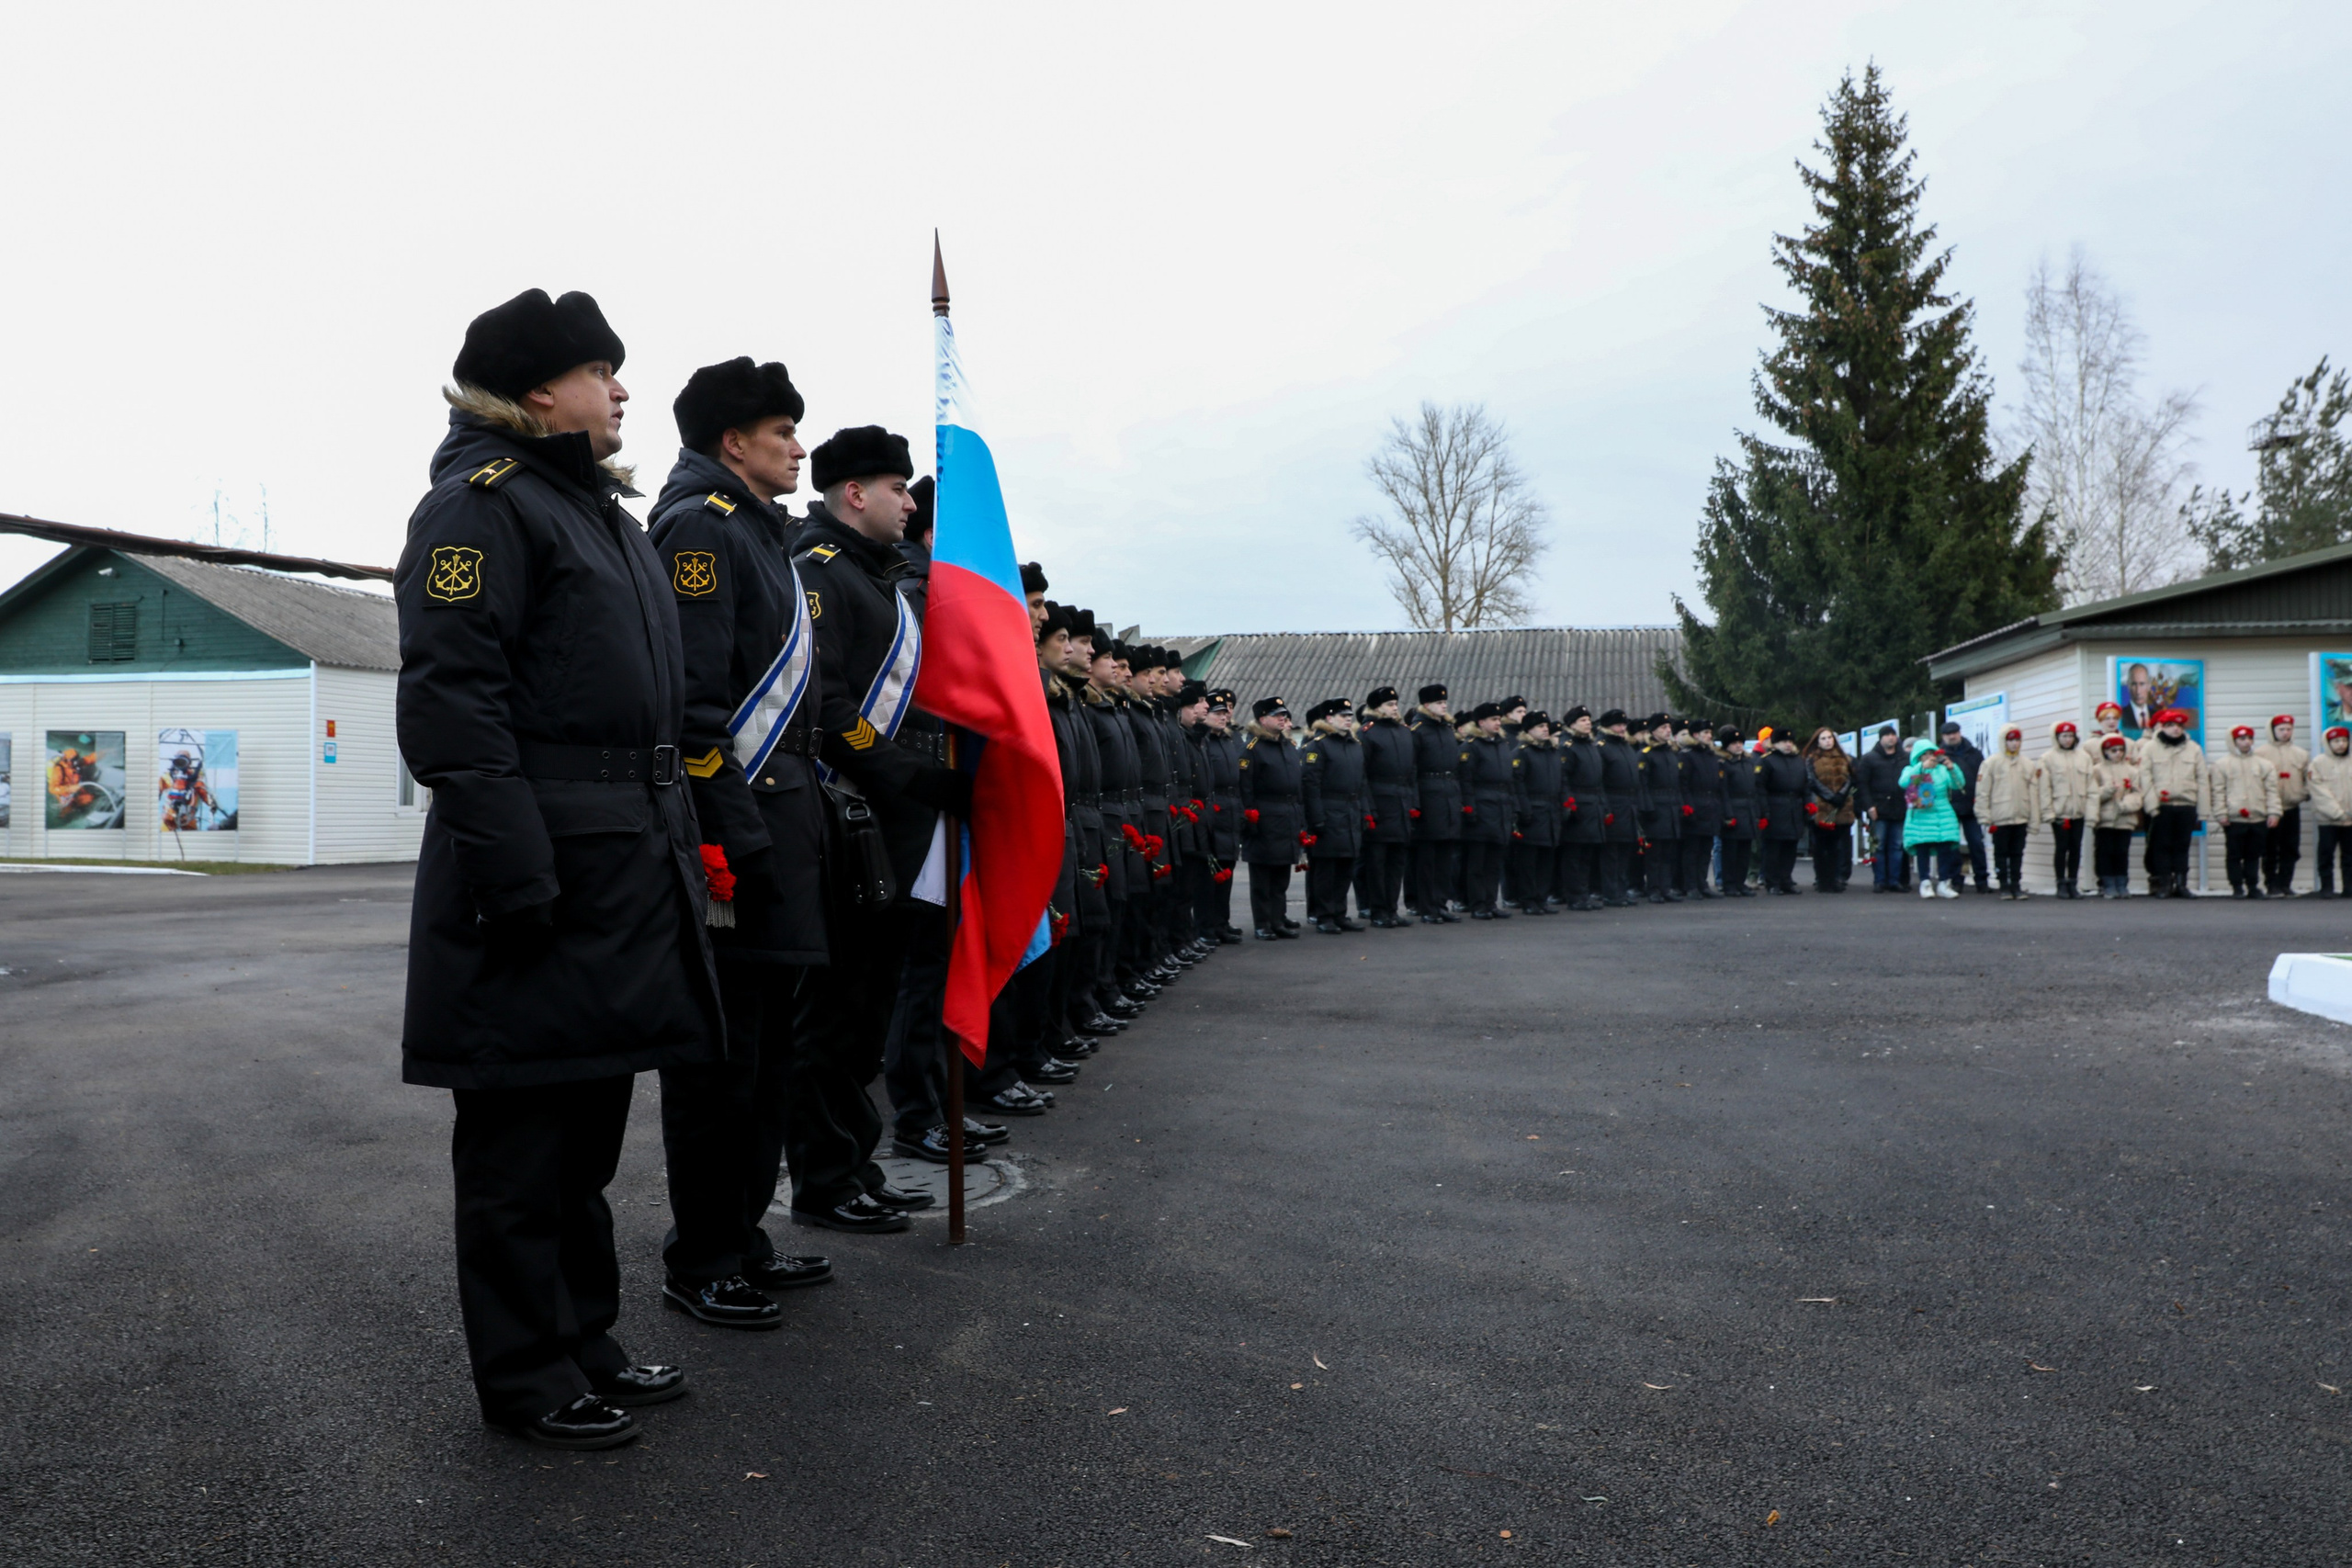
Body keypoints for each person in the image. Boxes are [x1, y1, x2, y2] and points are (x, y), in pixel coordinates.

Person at [398, 288, 717, 1449]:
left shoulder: (600, 515)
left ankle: (585, 1336)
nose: (623, 390)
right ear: (540, 392)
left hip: (625, 865)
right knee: (521, 1144)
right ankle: (526, 1374)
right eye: (602, 372)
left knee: (584, 1129)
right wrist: (515, 874)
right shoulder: (480, 509)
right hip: (540, 874)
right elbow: (451, 709)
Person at [646, 357, 842, 1335]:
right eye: (782, 434)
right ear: (734, 444)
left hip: (784, 820)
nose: (798, 449)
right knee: (722, 1062)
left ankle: (744, 1233)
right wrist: (736, 837)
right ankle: (703, 1252)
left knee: (764, 1058)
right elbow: (697, 708)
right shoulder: (700, 532)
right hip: (740, 829)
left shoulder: (762, 535)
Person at [793, 425, 980, 1201]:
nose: (910, 502)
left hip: (888, 823)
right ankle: (824, 1177)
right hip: (850, 824)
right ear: (855, 494)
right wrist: (913, 774)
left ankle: (854, 1164)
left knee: (866, 1016)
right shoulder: (821, 572)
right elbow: (828, 703)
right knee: (833, 1021)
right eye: (898, 488)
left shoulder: (875, 577)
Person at [1238, 696, 1306, 938]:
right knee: (1262, 880)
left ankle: (1278, 920)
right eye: (1277, 715)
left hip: (1287, 816)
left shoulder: (1286, 745)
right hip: (1265, 818)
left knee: (1280, 877)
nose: (1283, 719)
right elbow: (1245, 789)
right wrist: (1251, 821)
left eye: (1284, 715)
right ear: (1262, 719)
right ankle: (1262, 924)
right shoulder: (1253, 748)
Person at [1299, 697, 1367, 933]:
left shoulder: (1354, 745)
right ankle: (1324, 915)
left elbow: (1362, 783)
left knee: (1345, 867)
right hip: (1329, 812)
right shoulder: (1319, 745)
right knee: (1326, 869)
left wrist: (1365, 813)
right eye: (1343, 715)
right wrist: (1316, 818)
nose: (1349, 719)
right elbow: (1311, 785)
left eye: (1350, 716)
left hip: (1351, 813)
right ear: (1329, 718)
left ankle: (1340, 913)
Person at [1356, 687, 1419, 928]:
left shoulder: (1405, 732)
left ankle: (1392, 909)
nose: (1395, 707)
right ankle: (1378, 910)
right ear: (1376, 707)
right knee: (1376, 863)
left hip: (1401, 805)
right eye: (1389, 704)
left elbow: (1412, 771)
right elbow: (1362, 776)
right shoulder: (1367, 734)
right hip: (1380, 805)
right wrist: (1369, 810)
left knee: (1396, 863)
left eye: (1395, 703)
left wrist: (1413, 803)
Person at [1408, 685, 1462, 923]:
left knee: (1445, 856)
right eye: (1439, 702)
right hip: (1429, 796)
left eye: (1445, 702)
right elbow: (1412, 770)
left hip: (1449, 794)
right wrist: (1416, 803)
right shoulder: (1418, 731)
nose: (1444, 705)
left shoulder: (1447, 730)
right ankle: (1426, 906)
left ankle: (1440, 903)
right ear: (1426, 705)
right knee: (1427, 858)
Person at [2139, 708, 2207, 898]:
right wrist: (2152, 805)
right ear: (2162, 727)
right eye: (2171, 726)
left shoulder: (2193, 748)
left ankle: (2181, 884)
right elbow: (2145, 777)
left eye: (2179, 726)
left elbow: (2202, 778)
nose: (2176, 730)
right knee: (2161, 846)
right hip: (2162, 805)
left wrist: (2203, 810)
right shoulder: (2150, 748)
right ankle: (2164, 884)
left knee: (2182, 845)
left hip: (2186, 804)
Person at [1194, 688, 1245, 940]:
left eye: (1226, 713)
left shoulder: (1227, 739)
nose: (1223, 717)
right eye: (1218, 713)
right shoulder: (1203, 740)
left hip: (1231, 810)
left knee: (1227, 869)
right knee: (1208, 876)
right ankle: (1206, 926)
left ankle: (1221, 922)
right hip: (1213, 810)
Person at [1458, 701, 1515, 918]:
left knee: (1494, 862)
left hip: (1501, 808)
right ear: (1481, 722)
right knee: (1477, 863)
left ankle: (1491, 902)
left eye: (1499, 719)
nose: (1498, 723)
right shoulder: (1471, 746)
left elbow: (1509, 780)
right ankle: (1478, 904)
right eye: (1493, 719)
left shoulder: (1502, 744)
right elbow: (1466, 781)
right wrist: (1470, 808)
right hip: (1481, 807)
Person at [2211, 724, 2281, 898]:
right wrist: (2221, 813)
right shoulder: (2222, 765)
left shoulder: (2264, 765)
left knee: (2253, 855)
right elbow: (2217, 791)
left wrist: (2274, 813)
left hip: (2258, 817)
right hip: (2235, 819)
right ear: (2233, 741)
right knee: (2234, 855)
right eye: (2242, 739)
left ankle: (2253, 886)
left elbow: (2272, 791)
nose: (2246, 742)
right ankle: (2236, 886)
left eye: (2249, 739)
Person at [1506, 712, 1561, 915]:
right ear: (1528, 730)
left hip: (1551, 811)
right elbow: (1516, 785)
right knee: (1529, 860)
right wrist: (1523, 810)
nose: (1545, 729)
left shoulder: (1553, 751)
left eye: (1546, 726)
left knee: (1547, 858)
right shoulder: (1522, 753)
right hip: (1533, 810)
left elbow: (1561, 782)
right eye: (1540, 726)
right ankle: (1528, 899)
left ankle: (1541, 898)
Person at [1975, 725, 2040, 899]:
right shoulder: (1991, 763)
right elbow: (1983, 792)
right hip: (2000, 817)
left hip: (2021, 816)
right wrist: (1985, 816)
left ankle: (2016, 884)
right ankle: (2003, 885)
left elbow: (2033, 793)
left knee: (2017, 853)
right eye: (2010, 740)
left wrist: (2034, 819)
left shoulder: (2027, 764)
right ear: (2004, 741)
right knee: (2001, 853)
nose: (2014, 744)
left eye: (2017, 740)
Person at [2035, 721, 2096, 898]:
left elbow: (2091, 786)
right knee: (2062, 847)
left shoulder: (2083, 757)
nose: (2068, 740)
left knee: (2076, 847)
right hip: (2059, 811)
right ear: (2057, 738)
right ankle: (2060, 883)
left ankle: (2073, 883)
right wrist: (2048, 812)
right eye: (2064, 736)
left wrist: (2091, 811)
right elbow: (2044, 789)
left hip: (2079, 811)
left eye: (2070, 736)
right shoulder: (2047, 758)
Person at [1898, 737, 1963, 898]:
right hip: (1922, 814)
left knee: (1945, 848)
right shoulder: (1911, 769)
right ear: (1918, 757)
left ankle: (1944, 882)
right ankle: (1925, 882)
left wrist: (1952, 768)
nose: (1929, 757)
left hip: (1942, 812)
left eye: (1931, 753)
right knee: (1923, 848)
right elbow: (1904, 783)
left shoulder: (1941, 770)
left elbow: (1959, 785)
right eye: (1924, 754)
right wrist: (1921, 768)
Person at [2255, 715, 2310, 896]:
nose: (2285, 733)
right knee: (2270, 848)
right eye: (2281, 729)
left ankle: (2285, 882)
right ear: (2272, 731)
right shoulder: (2261, 753)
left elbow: (2308, 779)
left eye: (2289, 729)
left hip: (2292, 807)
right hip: (2271, 809)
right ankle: (2271, 883)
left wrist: (2303, 794)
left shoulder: (2301, 754)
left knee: (2291, 848)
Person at [1853, 726, 1911, 892]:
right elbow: (1862, 785)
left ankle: (1894, 880)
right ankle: (1879, 880)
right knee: (1878, 846)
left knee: (1897, 846)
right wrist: (1868, 806)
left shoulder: (1905, 758)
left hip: (1900, 808)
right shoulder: (1869, 759)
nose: (1890, 738)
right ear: (1880, 739)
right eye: (1886, 735)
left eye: (1893, 735)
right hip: (1878, 809)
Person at [1596, 709, 1644, 907]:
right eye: (1618, 725)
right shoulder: (1602, 747)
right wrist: (1606, 808)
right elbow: (1599, 781)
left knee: (1625, 850)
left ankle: (1621, 890)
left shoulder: (1625, 747)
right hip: (1613, 803)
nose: (1622, 728)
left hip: (1629, 804)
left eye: (1624, 725)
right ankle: (1610, 892)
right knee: (1611, 853)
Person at [1936, 719, 1990, 894]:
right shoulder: (1938, 757)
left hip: (1971, 804)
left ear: (1960, 733)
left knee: (1976, 843)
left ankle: (1982, 880)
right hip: (1949, 806)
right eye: (1948, 734)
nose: (1952, 736)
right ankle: (1955, 879)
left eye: (1954, 732)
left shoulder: (1974, 753)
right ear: (1943, 737)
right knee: (1952, 845)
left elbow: (1982, 778)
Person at [1635, 714, 1684, 902]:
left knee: (1669, 852)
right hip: (1656, 806)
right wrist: (1647, 808)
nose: (1668, 731)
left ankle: (1666, 887)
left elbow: (1677, 783)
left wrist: (1679, 805)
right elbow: (1642, 784)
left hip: (1671, 806)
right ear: (1653, 731)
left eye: (1668, 727)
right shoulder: (1646, 754)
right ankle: (1654, 888)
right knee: (1655, 853)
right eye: (1663, 727)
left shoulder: (1671, 753)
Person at [1754, 728, 1807, 895]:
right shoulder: (1767, 761)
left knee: (1790, 847)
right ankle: (1772, 882)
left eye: (1790, 742)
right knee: (1773, 848)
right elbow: (1760, 788)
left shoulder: (1798, 760)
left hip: (1794, 808)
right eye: (1784, 742)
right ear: (1775, 744)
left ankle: (1786, 880)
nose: (1788, 745)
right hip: (1775, 807)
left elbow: (1806, 785)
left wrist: (1808, 803)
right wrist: (1764, 812)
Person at [1800, 728, 1854, 891]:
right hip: (1822, 807)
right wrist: (1830, 796)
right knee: (1822, 847)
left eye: (1829, 738)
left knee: (1839, 847)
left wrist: (1841, 796)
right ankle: (1823, 880)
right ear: (1818, 741)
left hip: (1842, 808)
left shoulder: (1844, 758)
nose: (1827, 741)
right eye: (1823, 738)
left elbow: (1850, 779)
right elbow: (1812, 781)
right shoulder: (1811, 759)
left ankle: (1837, 879)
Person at [2090, 734, 2143, 897]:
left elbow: (2138, 793)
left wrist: (2126, 804)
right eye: (2113, 750)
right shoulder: (2097, 770)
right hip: (2105, 819)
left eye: (2121, 750)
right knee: (2104, 852)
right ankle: (2107, 883)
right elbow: (2091, 795)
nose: (2118, 754)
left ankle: (2122, 883)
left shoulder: (2132, 771)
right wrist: (2106, 791)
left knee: (2121, 851)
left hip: (2124, 818)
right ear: (2105, 751)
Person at [1677, 720, 1724, 898]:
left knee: (1706, 849)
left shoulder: (1712, 756)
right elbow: (1683, 783)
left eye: (1710, 732)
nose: (1709, 736)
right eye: (1705, 732)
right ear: (1695, 735)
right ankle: (1690, 885)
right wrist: (1687, 804)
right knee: (1692, 849)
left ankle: (1702, 882)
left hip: (1711, 806)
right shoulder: (1687, 755)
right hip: (1695, 806)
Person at [2307, 726, 2352, 897]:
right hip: (2328, 819)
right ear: (2328, 743)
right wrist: (2337, 812)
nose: (2341, 744)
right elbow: (2319, 792)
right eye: (2336, 741)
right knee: (2326, 854)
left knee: (2349, 856)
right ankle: (2327, 887)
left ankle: (2349, 887)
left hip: (2350, 820)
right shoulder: (2318, 763)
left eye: (2344, 740)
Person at [1713, 725, 1758, 896]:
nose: (1738, 746)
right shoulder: (1723, 763)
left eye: (1740, 742)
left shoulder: (1748, 762)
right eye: (1734, 743)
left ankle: (1740, 882)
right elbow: (1722, 791)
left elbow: (1754, 789)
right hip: (1732, 808)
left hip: (1748, 809)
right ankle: (1729, 883)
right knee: (1730, 851)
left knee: (1745, 850)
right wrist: (1728, 814)